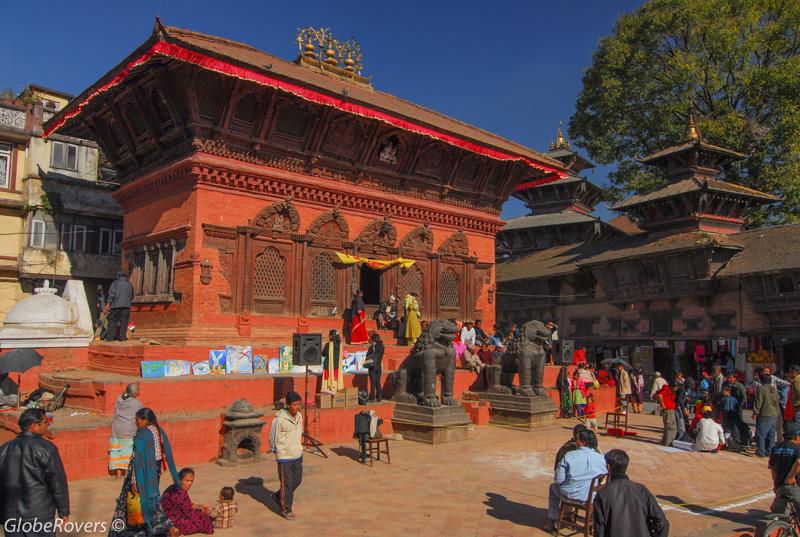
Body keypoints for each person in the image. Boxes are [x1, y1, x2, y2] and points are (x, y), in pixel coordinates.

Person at [110, 407, 180, 537]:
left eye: (138, 420)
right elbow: (165, 453)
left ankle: (149, 528)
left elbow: (138, 459)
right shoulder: (159, 431)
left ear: (145, 420)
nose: (136, 423)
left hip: (141, 472)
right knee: (152, 498)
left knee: (137, 500)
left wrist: (135, 481)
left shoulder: (142, 434)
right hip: (155, 471)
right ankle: (167, 527)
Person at [0, 408, 69, 535]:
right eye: (45, 423)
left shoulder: (4, 448)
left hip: (11, 516)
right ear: (34, 426)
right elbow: (57, 482)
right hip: (39, 516)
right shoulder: (47, 448)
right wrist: (63, 510)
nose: (47, 425)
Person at [593, 449, 669, 537]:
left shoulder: (603, 494)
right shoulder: (641, 490)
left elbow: (599, 530)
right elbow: (662, 523)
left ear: (608, 467)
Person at [545, 429, 606, 533]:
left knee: (553, 487)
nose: (575, 441)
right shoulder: (601, 458)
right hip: (592, 497)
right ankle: (592, 524)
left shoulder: (569, 456)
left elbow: (559, 480)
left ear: (583, 442)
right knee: (600, 490)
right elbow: (603, 478)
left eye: (577, 439)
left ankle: (554, 521)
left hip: (572, 495)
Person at [270, 391, 303, 520]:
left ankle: (279, 496)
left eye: (299, 404)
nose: (297, 407)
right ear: (288, 405)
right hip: (284, 456)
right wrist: (277, 452)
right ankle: (286, 509)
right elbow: (273, 436)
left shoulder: (299, 416)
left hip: (297, 454)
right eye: (295, 404)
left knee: (297, 480)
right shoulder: (279, 419)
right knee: (287, 484)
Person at [160, 467, 214, 535]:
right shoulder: (179, 492)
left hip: (171, 515)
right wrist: (201, 512)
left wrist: (200, 506)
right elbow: (188, 512)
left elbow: (188, 505)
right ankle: (175, 530)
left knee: (202, 514)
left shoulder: (176, 487)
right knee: (202, 520)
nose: (190, 483)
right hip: (172, 519)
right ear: (180, 480)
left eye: (191, 481)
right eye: (187, 480)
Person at [109, 383, 144, 478]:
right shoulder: (137, 404)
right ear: (135, 392)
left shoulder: (120, 399)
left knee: (116, 451)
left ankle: (118, 474)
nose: (139, 391)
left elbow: (119, 401)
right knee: (127, 452)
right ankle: (127, 475)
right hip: (128, 431)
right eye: (138, 390)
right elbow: (142, 414)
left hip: (115, 430)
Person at [769, 422, 800, 514]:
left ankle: (784, 526)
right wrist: (790, 477)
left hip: (779, 484)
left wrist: (776, 483)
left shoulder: (775, 448)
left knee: (780, 512)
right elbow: (798, 463)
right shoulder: (797, 448)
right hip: (793, 485)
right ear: (796, 436)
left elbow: (772, 468)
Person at [754, 370, 781, 457]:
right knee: (771, 435)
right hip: (774, 414)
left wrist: (755, 412)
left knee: (761, 434)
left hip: (765, 414)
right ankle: (770, 452)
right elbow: (777, 401)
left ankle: (761, 452)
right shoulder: (774, 389)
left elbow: (759, 402)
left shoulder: (762, 388)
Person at [104, 270, 135, 342]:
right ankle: (122, 337)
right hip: (126, 306)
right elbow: (132, 296)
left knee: (112, 320)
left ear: (118, 276)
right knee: (124, 321)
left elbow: (111, 294)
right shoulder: (129, 284)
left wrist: (108, 303)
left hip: (116, 306)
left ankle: (110, 338)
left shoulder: (115, 283)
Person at [365, 332, 384, 402]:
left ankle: (372, 398)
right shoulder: (382, 346)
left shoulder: (372, 347)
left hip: (372, 367)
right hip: (379, 367)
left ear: (373, 340)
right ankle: (379, 397)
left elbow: (368, 356)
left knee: (373, 383)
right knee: (378, 382)